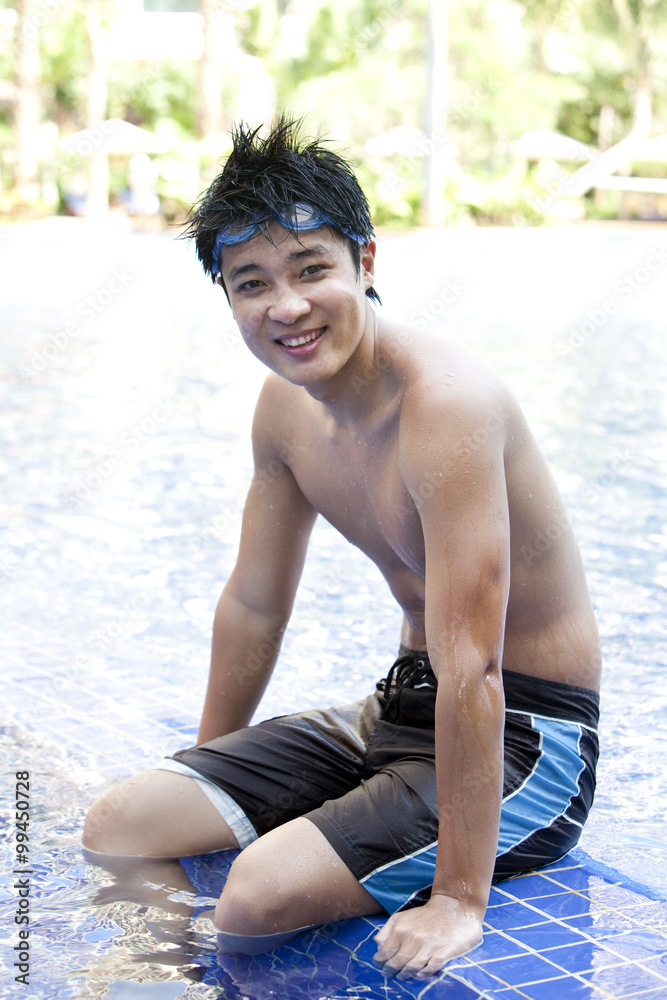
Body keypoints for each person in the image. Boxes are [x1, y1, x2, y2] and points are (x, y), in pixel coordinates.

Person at [83, 117, 601, 980]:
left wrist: (457, 899)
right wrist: (213, 778)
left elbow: (473, 661)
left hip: (523, 742)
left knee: (254, 895)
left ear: (365, 261)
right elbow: (254, 603)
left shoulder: (447, 406)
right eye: (251, 283)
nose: (285, 307)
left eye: (311, 269)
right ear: (225, 294)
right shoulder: (284, 409)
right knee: (120, 826)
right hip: (397, 711)